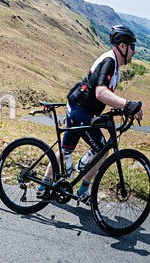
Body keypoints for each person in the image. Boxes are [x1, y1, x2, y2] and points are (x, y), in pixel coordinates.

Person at [39, 25, 143, 202]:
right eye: (132, 46)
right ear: (123, 46)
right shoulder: (110, 62)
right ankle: (83, 189)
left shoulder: (114, 65)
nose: (134, 51)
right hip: (80, 112)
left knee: (65, 151)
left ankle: (44, 187)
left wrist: (122, 109)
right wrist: (127, 104)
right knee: (103, 150)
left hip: (77, 108)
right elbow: (100, 92)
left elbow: (103, 96)